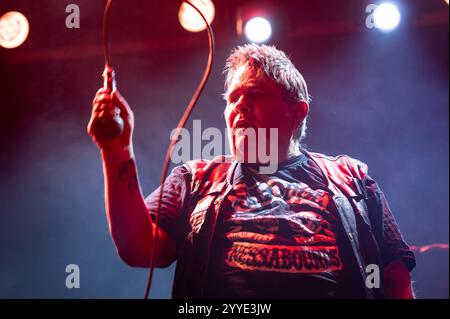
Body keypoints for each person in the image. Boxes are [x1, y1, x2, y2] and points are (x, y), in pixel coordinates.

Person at [88, 44, 416, 299]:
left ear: (296, 112)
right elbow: (138, 248)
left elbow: (395, 273)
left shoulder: (351, 176)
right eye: (233, 98)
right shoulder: (196, 179)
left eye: (255, 95)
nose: (240, 106)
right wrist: (117, 152)